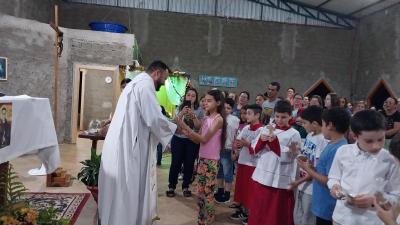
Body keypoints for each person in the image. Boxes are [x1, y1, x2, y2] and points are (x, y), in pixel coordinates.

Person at [98, 60, 177, 225]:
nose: (162, 85)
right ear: (157, 73)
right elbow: (154, 118)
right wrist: (176, 128)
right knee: (126, 189)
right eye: (163, 80)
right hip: (128, 148)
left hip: (122, 144)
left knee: (119, 189)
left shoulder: (135, 83)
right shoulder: (145, 86)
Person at [328, 110, 400, 225]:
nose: (376, 145)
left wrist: (374, 200)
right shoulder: (343, 151)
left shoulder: (391, 161)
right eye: (369, 141)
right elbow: (333, 177)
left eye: (381, 139)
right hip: (342, 217)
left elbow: (396, 196)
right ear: (355, 135)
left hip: (371, 220)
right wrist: (334, 187)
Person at [176, 89, 226, 225]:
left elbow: (203, 139)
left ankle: (210, 217)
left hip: (211, 161)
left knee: (208, 192)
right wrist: (191, 117)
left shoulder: (218, 119)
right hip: (203, 159)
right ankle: (201, 217)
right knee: (200, 191)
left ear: (218, 103)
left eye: (209, 101)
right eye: (204, 101)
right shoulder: (207, 116)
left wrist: (183, 125)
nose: (205, 103)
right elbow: (199, 127)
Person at [248, 100, 302, 225]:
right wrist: (262, 141)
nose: (279, 119)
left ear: (290, 116)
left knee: (275, 214)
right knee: (259, 209)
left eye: (283, 117)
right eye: (277, 116)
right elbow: (254, 149)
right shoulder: (266, 128)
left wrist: (273, 143)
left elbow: (292, 155)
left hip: (279, 179)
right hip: (262, 176)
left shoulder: (295, 134)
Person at [297, 107, 350, 225]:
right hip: (321, 202)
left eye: (323, 124)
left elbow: (329, 181)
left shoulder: (339, 149)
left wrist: (307, 169)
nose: (322, 128)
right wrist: (312, 167)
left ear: (330, 125)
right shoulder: (333, 143)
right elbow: (324, 171)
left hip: (327, 206)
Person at [290, 106, 328, 225]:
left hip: (311, 188)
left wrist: (298, 182)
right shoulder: (310, 135)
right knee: (298, 216)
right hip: (302, 183)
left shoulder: (323, 141)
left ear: (315, 124)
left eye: (305, 123)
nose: (303, 125)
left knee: (307, 218)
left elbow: (315, 170)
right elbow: (306, 156)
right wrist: (297, 152)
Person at [230, 104, 264, 222]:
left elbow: (257, 148)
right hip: (243, 161)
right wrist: (236, 145)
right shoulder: (245, 128)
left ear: (257, 115)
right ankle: (243, 210)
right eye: (245, 113)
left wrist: (246, 144)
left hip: (253, 164)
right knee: (242, 188)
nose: (246, 115)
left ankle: (250, 214)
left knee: (250, 191)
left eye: (249, 113)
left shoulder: (261, 130)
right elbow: (239, 141)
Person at [166, 88, 203, 197]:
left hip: (192, 140)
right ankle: (171, 186)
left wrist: (193, 115)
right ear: (185, 96)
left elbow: (198, 126)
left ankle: (186, 186)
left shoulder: (199, 110)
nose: (190, 97)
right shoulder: (179, 108)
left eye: (193, 96)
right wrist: (182, 112)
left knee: (189, 164)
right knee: (175, 163)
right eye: (188, 95)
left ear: (196, 98)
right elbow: (173, 123)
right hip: (178, 139)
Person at [215, 98, 240, 203]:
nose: (226, 110)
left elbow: (236, 135)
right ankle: (220, 190)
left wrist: (235, 150)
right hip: (217, 148)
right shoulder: (217, 117)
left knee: (227, 172)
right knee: (219, 171)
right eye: (224, 107)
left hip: (228, 148)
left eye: (228, 108)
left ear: (232, 109)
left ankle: (227, 193)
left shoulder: (234, 119)